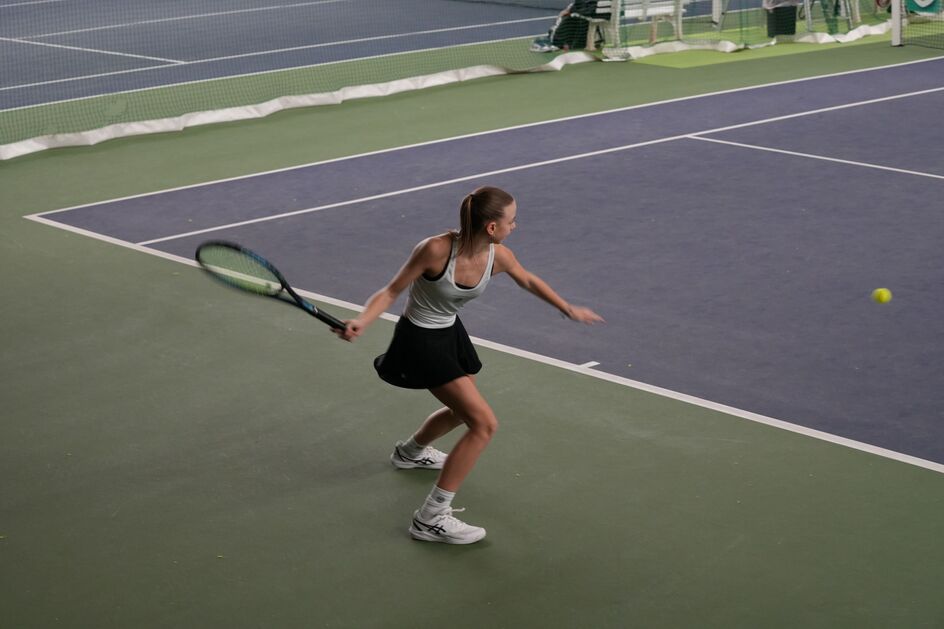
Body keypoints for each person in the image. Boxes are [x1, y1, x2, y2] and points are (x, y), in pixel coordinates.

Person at [335, 186, 603, 544]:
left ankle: (409, 452)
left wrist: (566, 308)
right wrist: (363, 320)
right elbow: (391, 290)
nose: (516, 226)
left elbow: (527, 279)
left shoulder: (499, 256)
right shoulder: (434, 249)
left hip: (449, 333)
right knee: (484, 424)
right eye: (511, 220)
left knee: (462, 413)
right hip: (420, 340)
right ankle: (430, 518)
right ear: (491, 227)